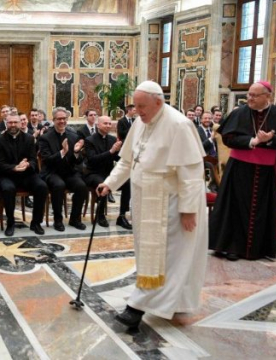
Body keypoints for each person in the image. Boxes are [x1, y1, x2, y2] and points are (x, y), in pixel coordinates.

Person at [97, 80, 207, 329]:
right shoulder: (140, 122)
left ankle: (136, 307)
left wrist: (189, 210)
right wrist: (110, 183)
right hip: (145, 201)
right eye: (135, 106)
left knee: (167, 258)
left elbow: (191, 173)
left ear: (159, 102)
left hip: (171, 204)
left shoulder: (179, 125)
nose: (137, 111)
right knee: (151, 256)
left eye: (142, 106)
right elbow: (127, 161)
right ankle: (172, 304)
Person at [209, 81, 276, 261]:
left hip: (268, 172)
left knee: (265, 208)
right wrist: (252, 141)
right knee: (236, 207)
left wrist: (270, 140)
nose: (250, 98)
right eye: (249, 94)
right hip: (240, 168)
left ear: (267, 96)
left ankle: (263, 248)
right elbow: (228, 138)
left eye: (255, 95)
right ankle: (232, 247)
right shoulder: (239, 113)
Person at [0, 114, 48, 236]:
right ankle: (10, 222)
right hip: (8, 175)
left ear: (20, 123)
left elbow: (33, 159)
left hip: (27, 174)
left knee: (42, 186)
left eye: (15, 122)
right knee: (8, 189)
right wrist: (14, 168)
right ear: (6, 123)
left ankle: (36, 222)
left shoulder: (29, 139)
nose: (13, 125)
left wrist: (28, 164)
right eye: (10, 122)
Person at [39, 107, 87, 231]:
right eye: (59, 119)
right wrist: (62, 152)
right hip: (52, 172)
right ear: (53, 120)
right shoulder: (45, 137)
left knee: (81, 186)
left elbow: (79, 160)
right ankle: (58, 220)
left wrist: (76, 152)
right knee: (58, 185)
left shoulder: (73, 136)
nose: (62, 121)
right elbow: (46, 160)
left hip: (69, 171)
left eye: (64, 119)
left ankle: (75, 219)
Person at [84, 116, 132, 229]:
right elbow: (92, 160)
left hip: (108, 172)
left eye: (110, 124)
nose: (108, 126)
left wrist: (121, 153)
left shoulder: (112, 139)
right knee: (103, 183)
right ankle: (100, 215)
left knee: (127, 182)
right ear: (98, 125)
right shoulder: (89, 140)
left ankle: (122, 215)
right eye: (105, 123)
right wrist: (111, 151)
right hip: (93, 173)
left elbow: (116, 159)